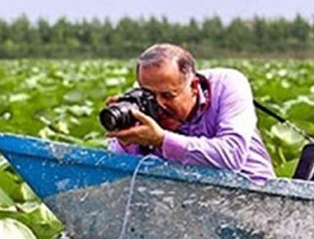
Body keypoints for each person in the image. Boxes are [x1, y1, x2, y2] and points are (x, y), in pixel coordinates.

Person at [106, 43, 276, 183]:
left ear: (194, 87)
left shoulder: (227, 84)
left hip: (253, 197)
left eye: (167, 96)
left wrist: (162, 140)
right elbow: (119, 178)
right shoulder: (141, 101)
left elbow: (232, 156)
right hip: (185, 204)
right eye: (150, 95)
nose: (158, 104)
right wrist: (125, 138)